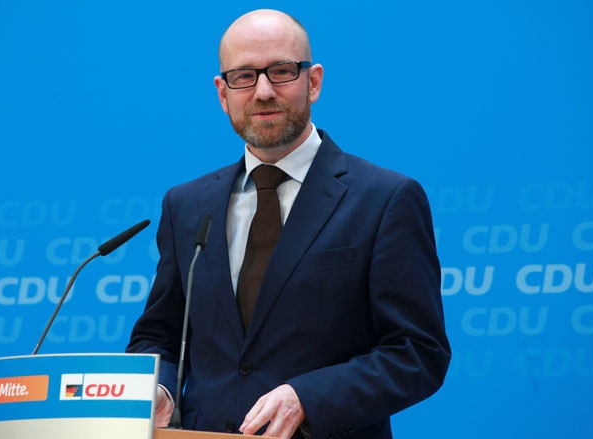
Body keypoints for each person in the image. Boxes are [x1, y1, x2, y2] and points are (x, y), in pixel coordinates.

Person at [126, 9, 450, 439]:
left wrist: (308, 398)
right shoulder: (187, 205)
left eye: (280, 71)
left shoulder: (384, 199)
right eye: (243, 76)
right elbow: (159, 336)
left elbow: (418, 352)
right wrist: (161, 386)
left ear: (313, 81)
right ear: (222, 93)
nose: (262, 92)